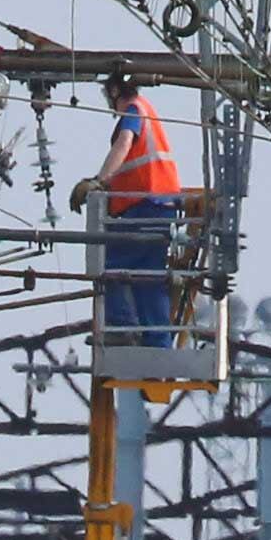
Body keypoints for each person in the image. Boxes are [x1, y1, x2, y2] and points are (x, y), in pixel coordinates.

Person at [67, 70, 182, 347]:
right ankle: (158, 343)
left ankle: (121, 328)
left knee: (111, 266)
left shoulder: (134, 111)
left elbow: (124, 143)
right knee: (148, 278)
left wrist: (98, 181)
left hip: (144, 207)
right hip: (161, 207)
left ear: (115, 91)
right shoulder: (147, 110)